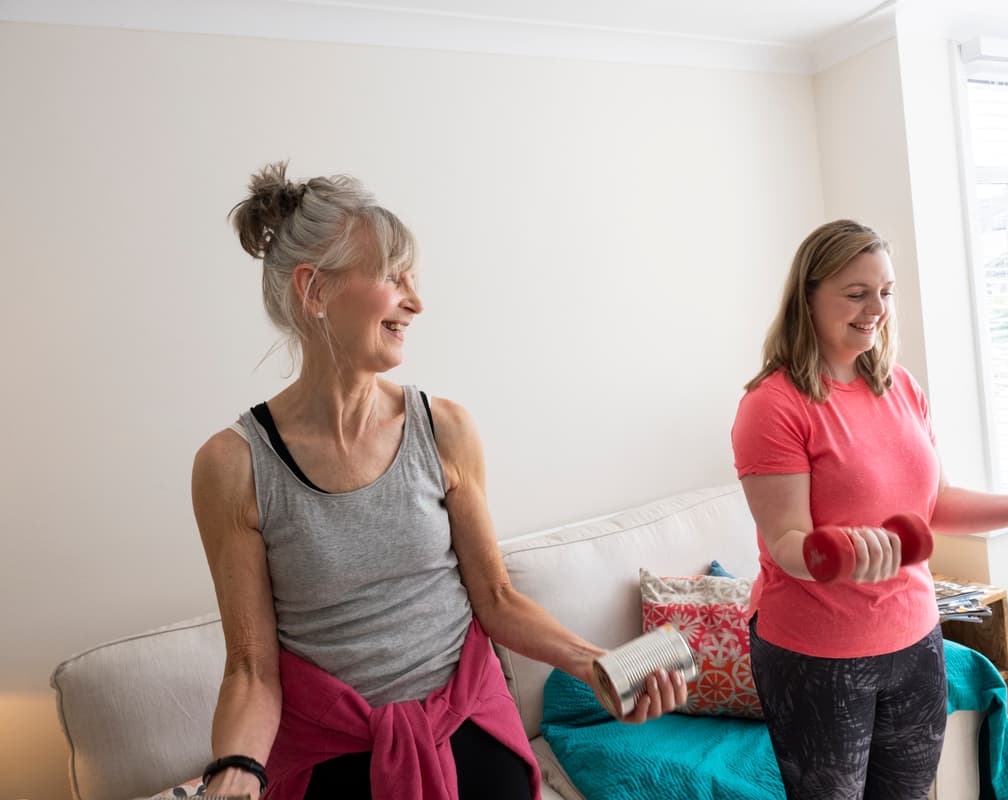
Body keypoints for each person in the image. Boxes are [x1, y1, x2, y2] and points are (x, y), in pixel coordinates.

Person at [194, 162, 688, 800]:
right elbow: (251, 669)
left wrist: (595, 667)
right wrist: (234, 770)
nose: (415, 301)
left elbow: (498, 599)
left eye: (413, 278)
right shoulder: (233, 465)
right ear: (313, 290)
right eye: (391, 276)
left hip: (471, 728)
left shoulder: (444, 428)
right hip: (332, 755)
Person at [730, 219, 1008, 800]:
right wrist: (841, 557)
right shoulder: (774, 405)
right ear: (807, 297)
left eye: (885, 292)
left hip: (915, 636)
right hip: (817, 653)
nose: (876, 308)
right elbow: (788, 541)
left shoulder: (899, 387)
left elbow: (933, 503)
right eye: (856, 293)